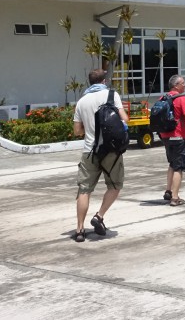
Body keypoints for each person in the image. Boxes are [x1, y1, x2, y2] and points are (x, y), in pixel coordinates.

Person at [71, 68, 128, 242]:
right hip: (111, 150)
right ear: (104, 81)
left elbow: (77, 131)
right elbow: (125, 119)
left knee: (84, 190)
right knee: (115, 185)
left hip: (90, 151)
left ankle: (80, 230)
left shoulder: (82, 101)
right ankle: (99, 215)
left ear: (90, 82)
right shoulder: (112, 95)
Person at [159, 75, 185, 207]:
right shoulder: (182, 99)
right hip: (178, 137)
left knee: (172, 163)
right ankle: (175, 197)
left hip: (166, 136)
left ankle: (168, 191)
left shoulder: (163, 98)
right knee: (179, 167)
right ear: (176, 85)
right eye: (183, 83)